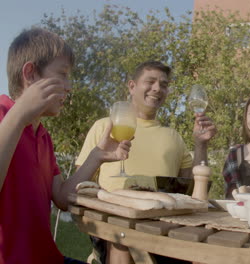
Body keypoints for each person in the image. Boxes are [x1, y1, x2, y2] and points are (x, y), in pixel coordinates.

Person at [0, 28, 131, 264]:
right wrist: (19, 114)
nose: (69, 87)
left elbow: (61, 197)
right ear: (30, 73)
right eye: (62, 74)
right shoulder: (2, 115)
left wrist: (97, 156)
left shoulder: (42, 136)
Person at [76, 60, 217, 263]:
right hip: (114, 230)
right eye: (150, 81)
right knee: (123, 239)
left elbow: (193, 188)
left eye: (164, 84)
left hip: (163, 229)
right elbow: (82, 185)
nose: (157, 89)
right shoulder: (105, 127)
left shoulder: (173, 136)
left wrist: (201, 144)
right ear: (132, 86)